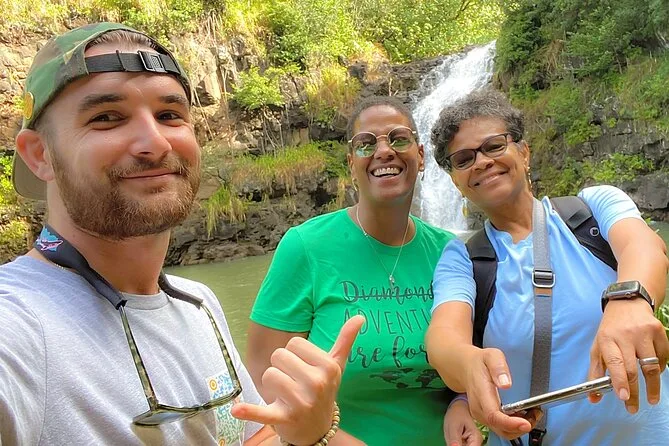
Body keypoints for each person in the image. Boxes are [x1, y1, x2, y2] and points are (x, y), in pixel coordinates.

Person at [0, 22, 367, 446]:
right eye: (106, 118)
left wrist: (309, 432)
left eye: (169, 115)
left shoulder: (197, 304)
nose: (155, 143)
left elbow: (250, 437)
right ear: (40, 154)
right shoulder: (18, 325)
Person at [425, 88, 669, 445]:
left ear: (524, 152)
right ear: (456, 181)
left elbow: (644, 245)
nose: (481, 162)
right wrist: (467, 366)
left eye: (494, 146)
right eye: (464, 159)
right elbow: (444, 336)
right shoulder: (463, 258)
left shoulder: (592, 208)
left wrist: (628, 300)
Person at [246, 95, 483, 446]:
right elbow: (261, 374)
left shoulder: (450, 252)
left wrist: (461, 401)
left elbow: (466, 357)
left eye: (398, 139)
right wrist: (329, 437)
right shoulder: (306, 246)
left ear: (420, 156)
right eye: (366, 143)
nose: (384, 151)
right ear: (351, 163)